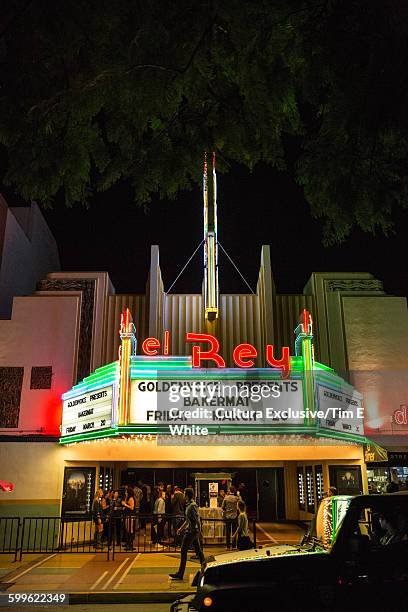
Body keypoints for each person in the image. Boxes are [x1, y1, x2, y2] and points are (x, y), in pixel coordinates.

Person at [169, 487, 206, 580]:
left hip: (191, 532)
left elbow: (197, 519)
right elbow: (188, 520)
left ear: (187, 495)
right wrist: (180, 529)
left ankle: (180, 574)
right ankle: (205, 568)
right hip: (192, 531)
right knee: (199, 551)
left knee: (183, 551)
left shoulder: (192, 505)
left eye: (185, 494)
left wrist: (200, 531)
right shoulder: (189, 505)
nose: (183, 496)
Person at [222, 485, 238, 550]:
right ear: (234, 491)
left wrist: (227, 510)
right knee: (234, 531)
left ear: (229, 490)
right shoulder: (236, 498)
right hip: (234, 516)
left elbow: (222, 507)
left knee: (228, 532)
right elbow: (241, 504)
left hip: (227, 516)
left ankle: (228, 546)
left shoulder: (226, 498)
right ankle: (234, 546)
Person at [122, 485, 136, 551]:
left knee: (130, 530)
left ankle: (130, 545)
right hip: (128, 516)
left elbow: (132, 507)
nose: (125, 493)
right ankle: (128, 544)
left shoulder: (131, 498)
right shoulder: (128, 498)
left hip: (130, 516)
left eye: (126, 492)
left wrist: (125, 504)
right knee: (128, 530)